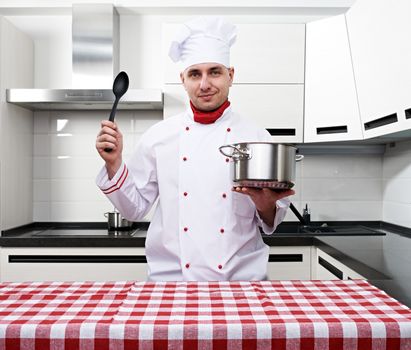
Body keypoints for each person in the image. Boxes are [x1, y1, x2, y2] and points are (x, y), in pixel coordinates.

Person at [95, 16, 294, 281]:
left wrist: (265, 206)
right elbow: (135, 210)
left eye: (214, 71)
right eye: (195, 74)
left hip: (241, 283)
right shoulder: (159, 137)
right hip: (172, 282)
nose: (204, 84)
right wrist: (114, 164)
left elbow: (271, 221)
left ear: (230, 75)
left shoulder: (257, 137)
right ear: (183, 79)